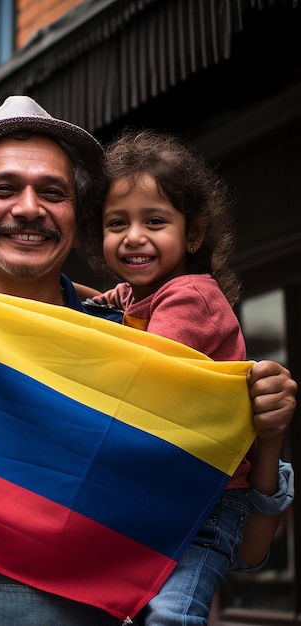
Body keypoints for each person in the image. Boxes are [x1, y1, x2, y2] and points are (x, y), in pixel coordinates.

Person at [0, 96, 296, 626]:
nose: (29, 208)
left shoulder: (137, 346)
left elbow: (247, 552)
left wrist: (269, 430)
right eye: (4, 189)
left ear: (76, 221)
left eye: (53, 193)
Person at [77, 127, 295, 623]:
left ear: (192, 234)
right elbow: (92, 306)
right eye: (117, 223)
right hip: (168, 493)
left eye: (154, 221)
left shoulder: (190, 297)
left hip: (213, 503)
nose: (134, 237)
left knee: (174, 615)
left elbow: (151, 368)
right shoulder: (135, 295)